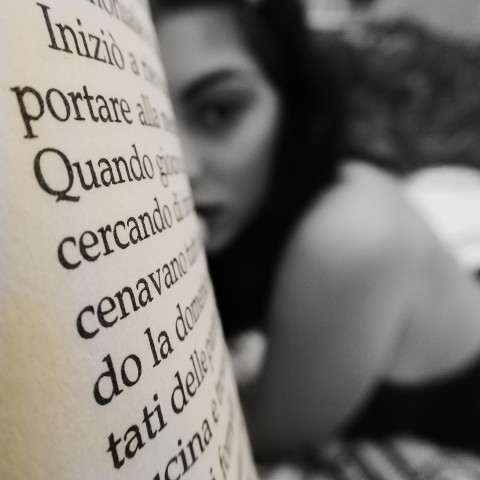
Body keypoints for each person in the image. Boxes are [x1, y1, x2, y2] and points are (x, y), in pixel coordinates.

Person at [151, 0, 480, 460]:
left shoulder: (349, 238)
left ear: (292, 100)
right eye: (148, 123)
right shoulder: (257, 210)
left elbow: (256, 437)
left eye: (220, 111)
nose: (183, 167)